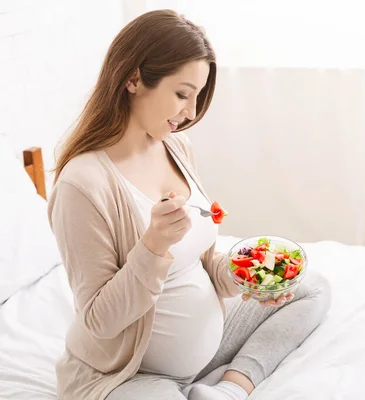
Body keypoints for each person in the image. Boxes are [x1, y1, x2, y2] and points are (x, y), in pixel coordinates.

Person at [48, 9, 331, 400]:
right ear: (133, 78)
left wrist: (241, 279)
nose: (191, 113)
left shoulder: (176, 147)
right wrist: (153, 247)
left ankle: (233, 387)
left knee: (311, 288)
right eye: (182, 94)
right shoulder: (83, 183)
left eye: (197, 97)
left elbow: (201, 260)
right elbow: (99, 320)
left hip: (209, 347)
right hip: (133, 373)